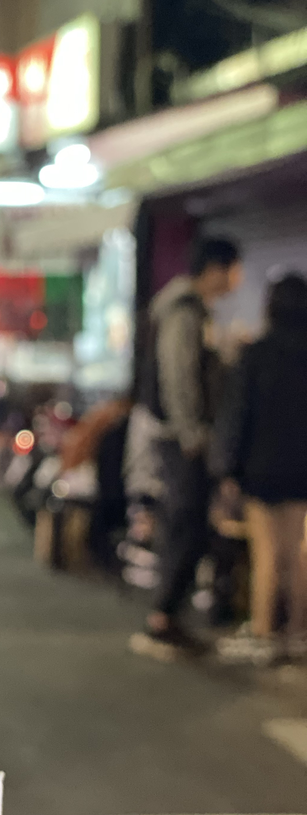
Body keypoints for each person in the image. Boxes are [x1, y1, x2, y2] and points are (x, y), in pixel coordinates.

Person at [135, 236, 243, 655]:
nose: (237, 279)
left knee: (187, 522)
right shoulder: (184, 310)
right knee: (186, 522)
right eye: (235, 268)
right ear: (216, 268)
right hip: (181, 438)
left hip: (181, 435)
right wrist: (191, 432)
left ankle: (166, 616)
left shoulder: (189, 309)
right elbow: (178, 375)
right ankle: (162, 619)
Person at [214, 273, 307, 664]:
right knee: (299, 551)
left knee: (267, 552)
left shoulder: (256, 354)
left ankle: (264, 632)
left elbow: (238, 415)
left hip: (263, 467)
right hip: (302, 468)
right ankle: (299, 632)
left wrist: (227, 468)